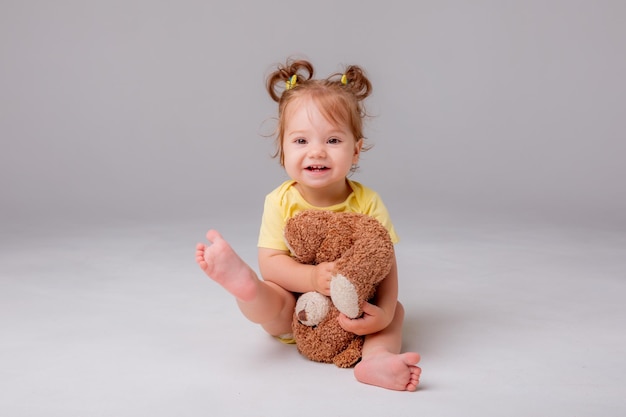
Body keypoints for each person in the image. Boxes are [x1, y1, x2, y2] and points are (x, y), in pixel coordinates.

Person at [195, 58, 421, 391]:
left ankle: (376, 360)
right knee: (274, 298)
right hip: (296, 310)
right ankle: (248, 290)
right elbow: (272, 263)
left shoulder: (368, 202)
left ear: (356, 151)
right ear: (282, 149)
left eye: (332, 141)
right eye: (301, 141)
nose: (317, 152)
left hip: (351, 310)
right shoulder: (280, 201)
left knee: (396, 312)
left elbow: (384, 262)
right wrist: (312, 277)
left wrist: (384, 311)